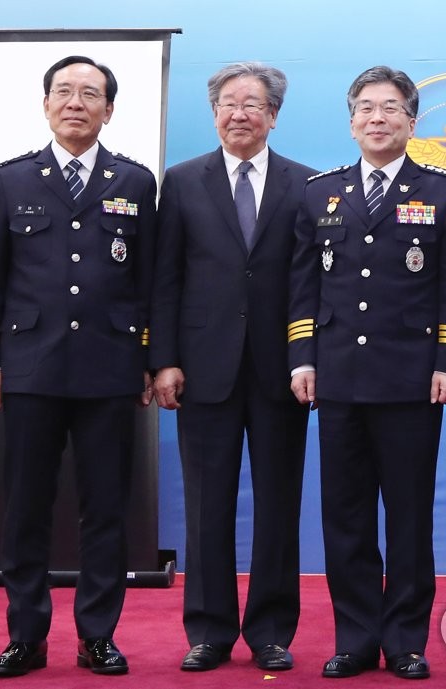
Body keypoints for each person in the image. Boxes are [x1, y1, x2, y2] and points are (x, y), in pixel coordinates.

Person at [0, 55, 157, 677]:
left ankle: (97, 634)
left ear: (110, 109)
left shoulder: (135, 182)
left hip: (110, 368)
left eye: (90, 94)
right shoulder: (8, 181)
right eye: (64, 92)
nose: (76, 103)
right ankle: (26, 635)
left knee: (105, 510)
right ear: (45, 104)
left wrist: (149, 359)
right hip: (30, 368)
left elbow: (148, 282)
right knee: (26, 508)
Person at [288, 65, 446, 680]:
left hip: (411, 380)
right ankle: (355, 638)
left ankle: (404, 642)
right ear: (351, 123)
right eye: (366, 108)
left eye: (391, 108)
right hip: (338, 378)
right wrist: (303, 357)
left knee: (408, 518)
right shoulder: (320, 193)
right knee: (345, 519)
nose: (378, 118)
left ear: (412, 122)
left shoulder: (445, 193)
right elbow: (302, 286)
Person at [150, 63, 313, 673]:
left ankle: (270, 629)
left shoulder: (305, 183)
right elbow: (165, 279)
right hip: (202, 368)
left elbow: (309, 284)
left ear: (274, 115)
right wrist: (164, 360)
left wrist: (306, 358)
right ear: (214, 112)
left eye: (252, 103)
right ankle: (209, 629)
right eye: (227, 102)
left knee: (278, 505)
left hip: (281, 371)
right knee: (206, 506)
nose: (238, 113)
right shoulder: (182, 181)